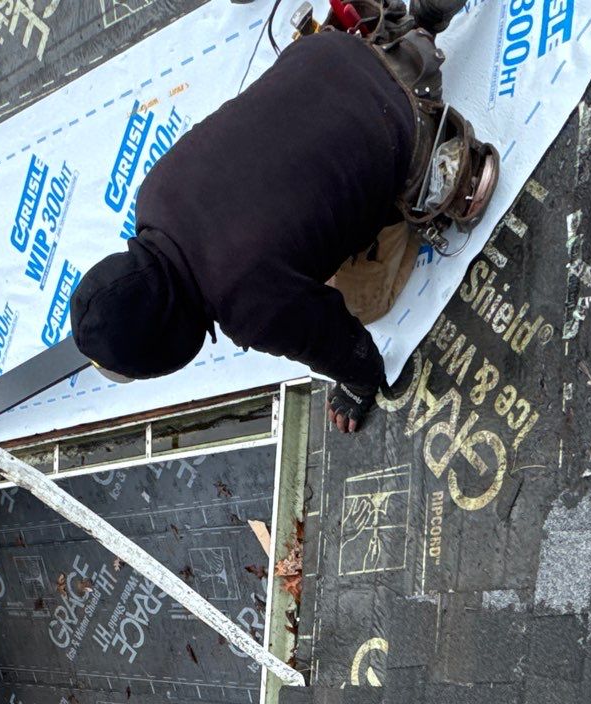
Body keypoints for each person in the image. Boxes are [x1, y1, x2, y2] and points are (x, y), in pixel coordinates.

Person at [70, 0, 486, 435]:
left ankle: (424, 79)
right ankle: (419, 24)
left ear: (166, 349)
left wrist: (358, 386)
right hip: (333, 53)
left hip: (407, 127)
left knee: (364, 300)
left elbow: (345, 345)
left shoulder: (249, 306)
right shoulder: (152, 195)